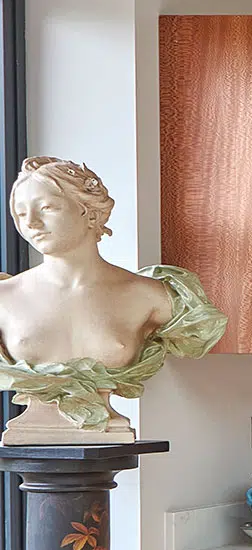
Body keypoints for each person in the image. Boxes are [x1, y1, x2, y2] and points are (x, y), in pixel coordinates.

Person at [0, 157, 225, 443]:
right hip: (30, 433)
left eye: (47, 208)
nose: (31, 223)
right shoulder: (4, 298)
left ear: (90, 213)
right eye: (20, 214)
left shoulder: (152, 296)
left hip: (108, 436)